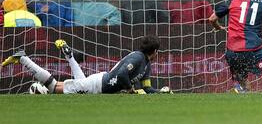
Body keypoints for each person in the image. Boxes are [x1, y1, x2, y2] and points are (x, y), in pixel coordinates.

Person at [1, 36, 172, 94]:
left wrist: (161, 92)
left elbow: (147, 88)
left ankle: (69, 56)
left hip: (97, 83)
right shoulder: (137, 58)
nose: (158, 54)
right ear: (154, 50)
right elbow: (121, 75)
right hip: (97, 86)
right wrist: (130, 90)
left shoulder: (146, 64)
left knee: (78, 84)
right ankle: (23, 59)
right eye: (158, 51)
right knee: (53, 88)